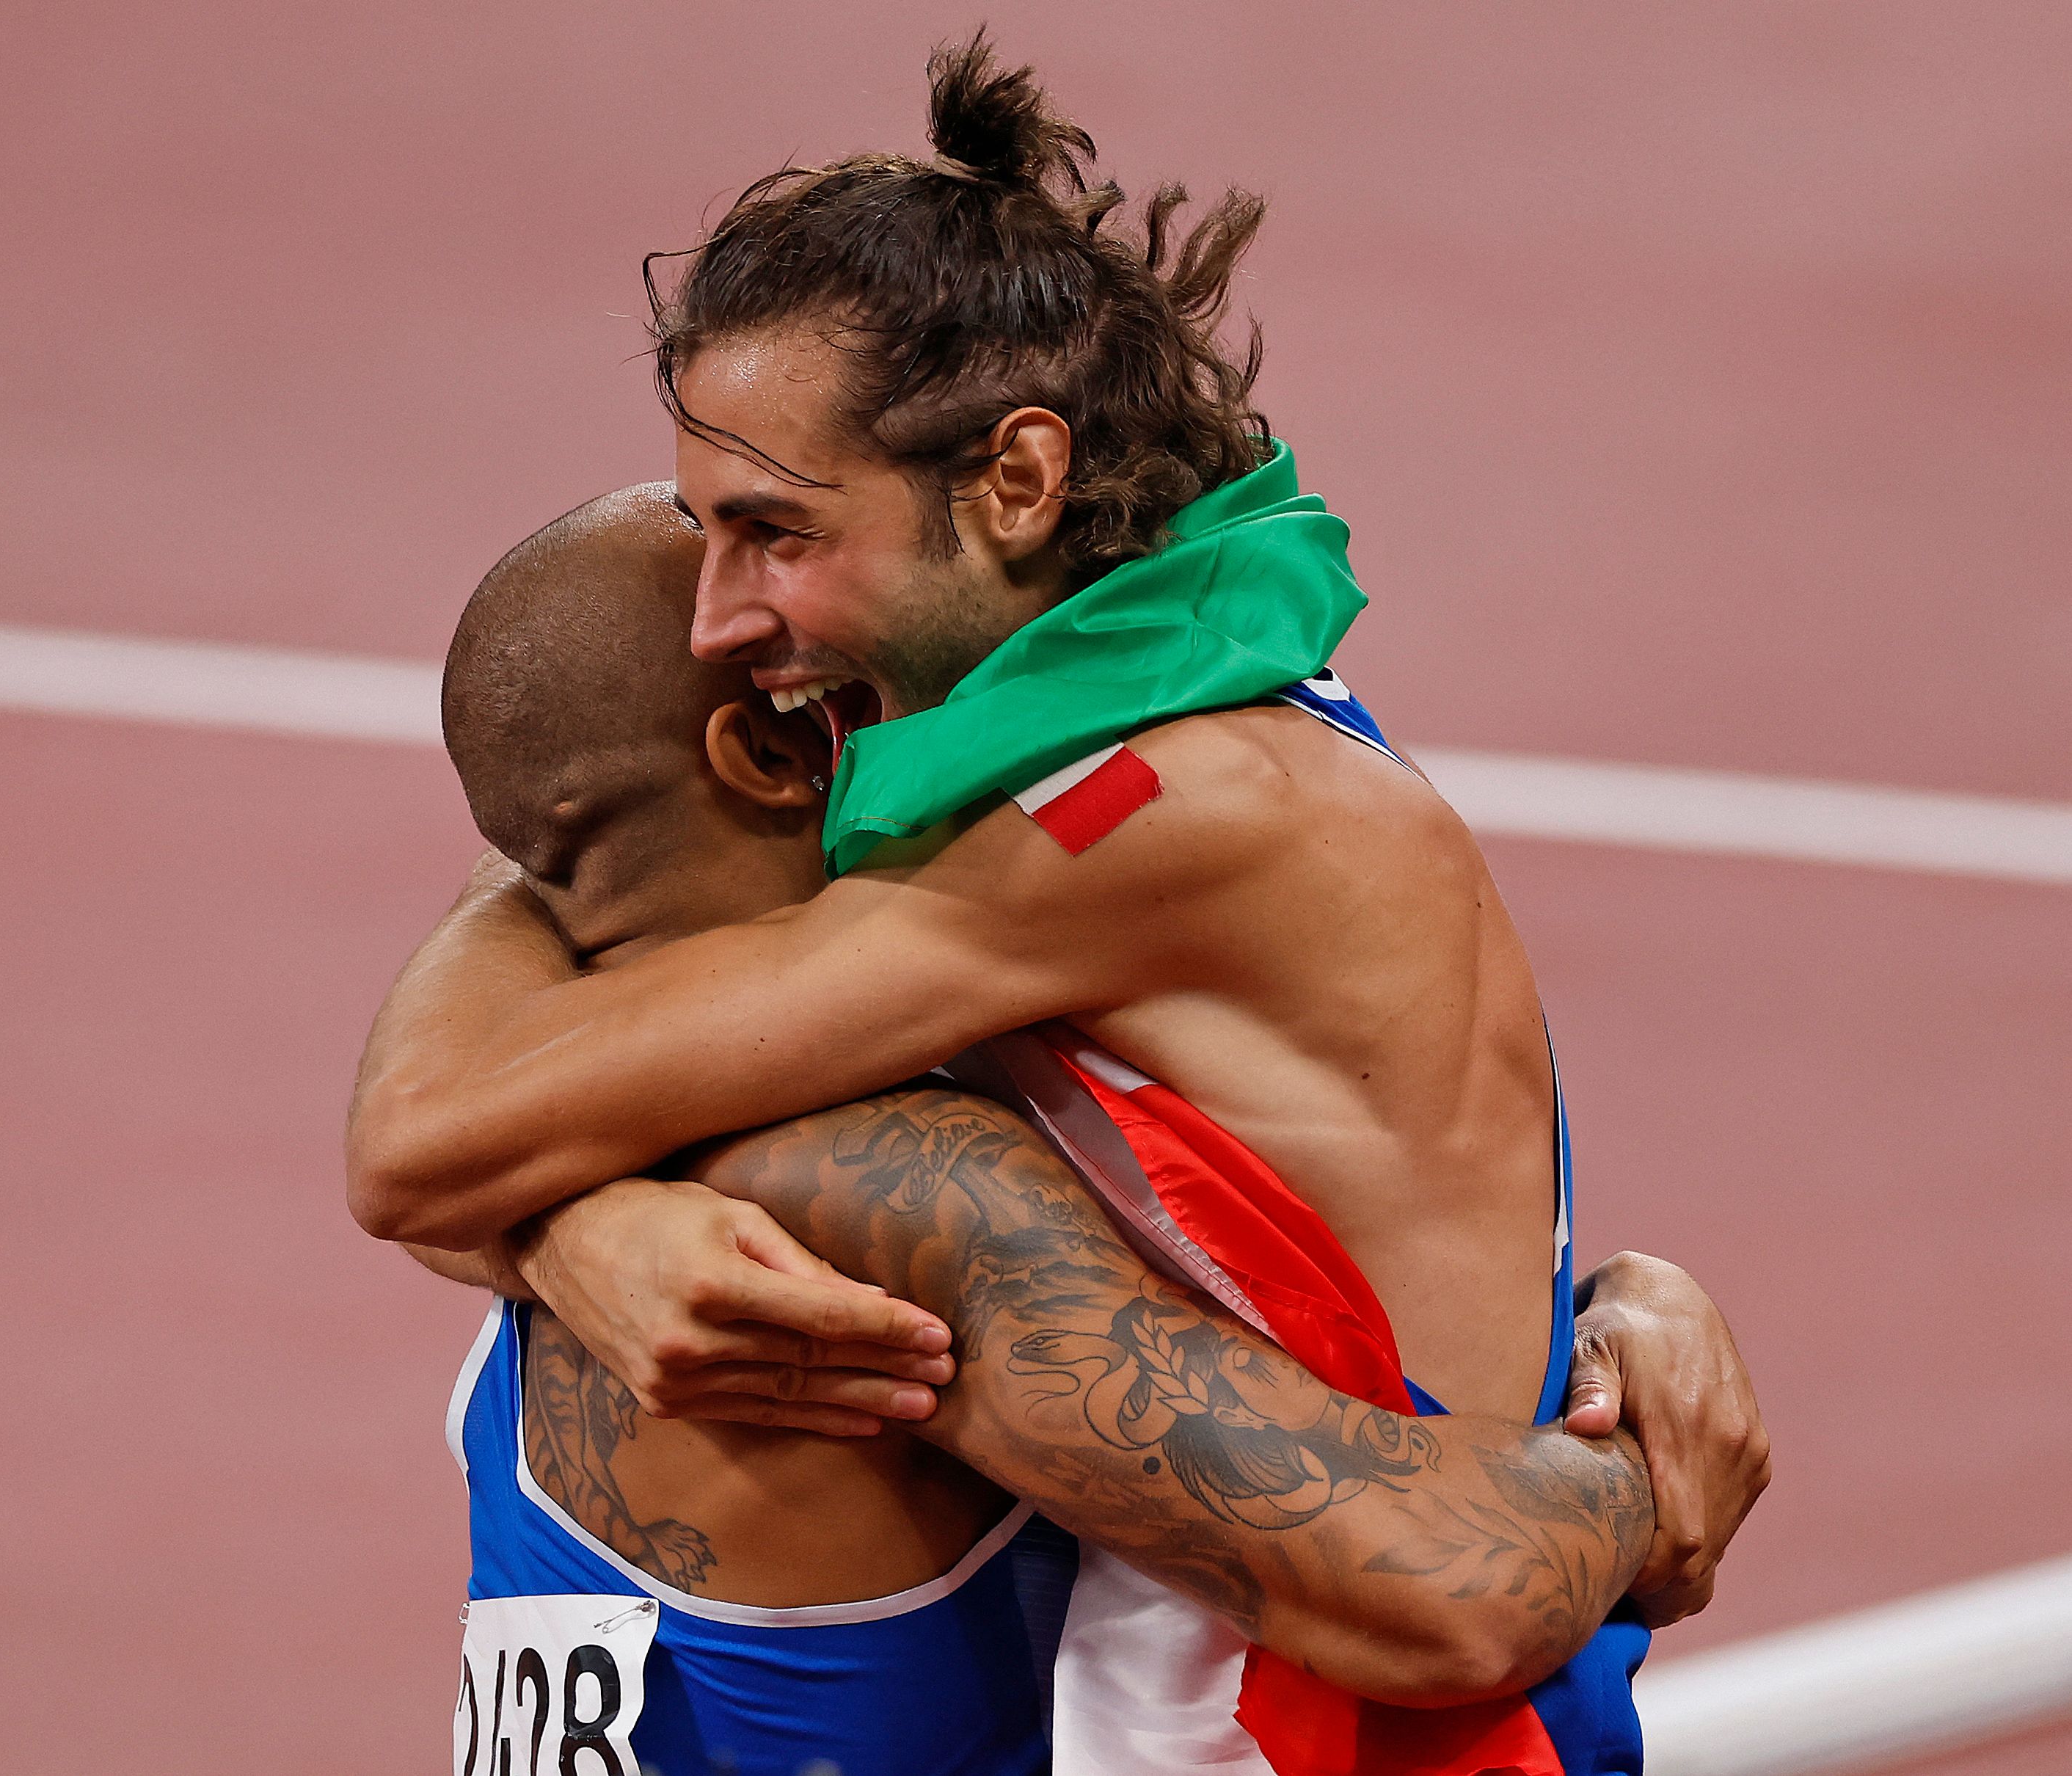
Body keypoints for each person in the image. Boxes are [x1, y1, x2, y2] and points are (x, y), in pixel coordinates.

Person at [354, 38, 1770, 1775]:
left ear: (1015, 482)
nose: (723, 613)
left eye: (776, 534)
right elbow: (561, 1033)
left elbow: (434, 1132)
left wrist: (1611, 1480)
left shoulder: (1131, 821)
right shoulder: (1158, 708)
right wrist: (589, 1231)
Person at [415, 486, 1702, 1776]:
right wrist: (1640, 1439)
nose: (987, 720)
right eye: (867, 686)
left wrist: (545, 1229)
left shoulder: (535, 1128)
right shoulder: (891, 1185)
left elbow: (474, 990)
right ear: (771, 750)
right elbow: (1451, 1597)